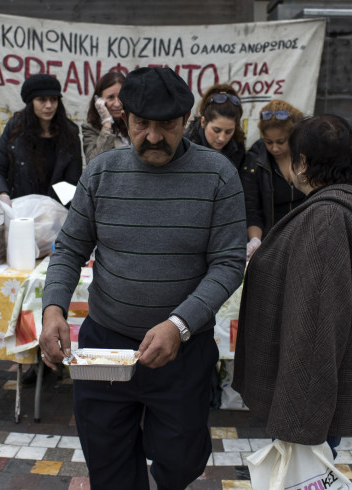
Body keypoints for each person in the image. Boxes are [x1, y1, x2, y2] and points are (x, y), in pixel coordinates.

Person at [40, 67, 246, 489]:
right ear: (123, 119)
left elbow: (228, 262)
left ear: (188, 120)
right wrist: (53, 309)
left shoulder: (218, 174)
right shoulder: (101, 172)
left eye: (167, 125)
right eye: (141, 125)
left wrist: (178, 324)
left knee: (182, 458)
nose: (153, 137)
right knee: (108, 461)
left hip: (183, 351)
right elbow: (70, 249)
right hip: (105, 348)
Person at [232, 114, 352, 456]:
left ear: (302, 163)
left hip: (310, 405)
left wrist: (299, 422)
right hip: (325, 395)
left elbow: (315, 331)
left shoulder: (326, 220)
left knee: (304, 473)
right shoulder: (351, 207)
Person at [0, 74, 82, 206]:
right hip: (19, 207)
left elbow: (73, 180)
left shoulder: (70, 133)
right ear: (30, 102)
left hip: (57, 212)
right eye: (42, 100)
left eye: (53, 99)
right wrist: (2, 194)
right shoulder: (15, 129)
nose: (49, 105)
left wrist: (55, 209)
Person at [240, 99, 306, 260]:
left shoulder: (307, 154)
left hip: (306, 235)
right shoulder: (255, 159)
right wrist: (255, 239)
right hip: (272, 239)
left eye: (281, 142)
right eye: (269, 142)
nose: (275, 148)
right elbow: (252, 209)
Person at [184, 83, 245, 169]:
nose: (222, 138)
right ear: (203, 122)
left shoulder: (238, 146)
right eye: (216, 130)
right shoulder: (185, 146)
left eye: (229, 131)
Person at [81, 71, 129, 163]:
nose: (117, 104)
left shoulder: (135, 123)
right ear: (99, 100)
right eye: (111, 97)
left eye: (121, 97)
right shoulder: (90, 128)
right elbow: (94, 163)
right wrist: (107, 123)